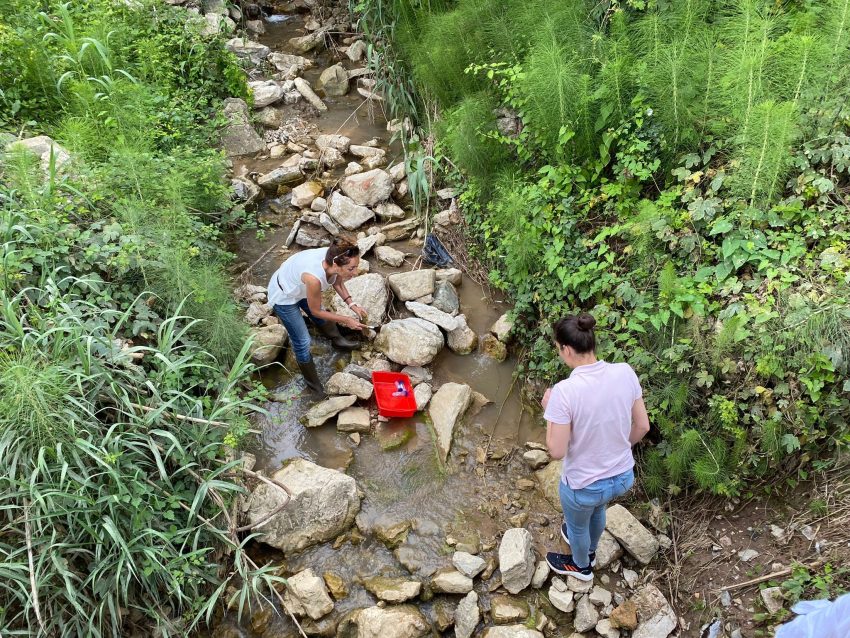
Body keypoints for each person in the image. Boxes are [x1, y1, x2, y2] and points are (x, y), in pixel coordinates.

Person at [542, 312, 650, 581]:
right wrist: (619, 450)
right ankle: (590, 546)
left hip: (584, 486)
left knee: (577, 526)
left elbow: (556, 450)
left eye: (558, 349)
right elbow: (643, 426)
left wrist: (549, 411)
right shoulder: (625, 372)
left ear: (566, 349)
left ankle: (582, 565)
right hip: (622, 477)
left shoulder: (564, 392)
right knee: (599, 508)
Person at [267, 239, 367, 393]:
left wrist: (352, 305)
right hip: (284, 295)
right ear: (335, 265)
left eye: (356, 267)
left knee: (323, 314)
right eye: (351, 268)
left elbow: (338, 283)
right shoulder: (314, 278)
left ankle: (338, 341)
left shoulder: (337, 256)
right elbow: (315, 311)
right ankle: (314, 387)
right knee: (303, 341)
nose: (355, 272)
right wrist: (347, 320)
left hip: (300, 286)